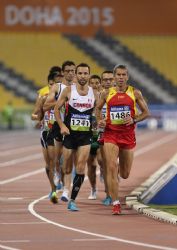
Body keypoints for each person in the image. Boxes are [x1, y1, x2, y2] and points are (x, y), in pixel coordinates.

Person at [96, 65, 150, 215]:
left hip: (127, 136)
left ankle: (117, 170)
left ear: (127, 77)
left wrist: (134, 119)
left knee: (125, 174)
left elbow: (146, 112)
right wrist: (100, 120)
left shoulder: (135, 93)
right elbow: (98, 109)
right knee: (111, 167)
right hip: (111, 134)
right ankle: (115, 203)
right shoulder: (107, 93)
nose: (120, 77)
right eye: (118, 75)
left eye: (123, 75)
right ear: (114, 77)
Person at [54, 63, 97, 211]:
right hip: (70, 135)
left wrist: (97, 123)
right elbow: (56, 109)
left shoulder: (94, 93)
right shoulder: (68, 91)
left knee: (80, 166)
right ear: (76, 75)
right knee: (66, 167)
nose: (83, 76)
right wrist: (62, 126)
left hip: (85, 136)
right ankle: (63, 174)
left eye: (86, 73)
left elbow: (97, 114)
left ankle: (72, 199)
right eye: (80, 73)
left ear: (89, 75)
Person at [43, 60, 76, 202]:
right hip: (58, 124)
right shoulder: (57, 87)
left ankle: (68, 184)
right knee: (56, 159)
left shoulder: (79, 88)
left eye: (72, 71)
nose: (70, 73)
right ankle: (58, 174)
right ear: (63, 73)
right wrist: (61, 101)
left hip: (74, 126)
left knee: (68, 158)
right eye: (67, 71)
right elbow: (46, 105)